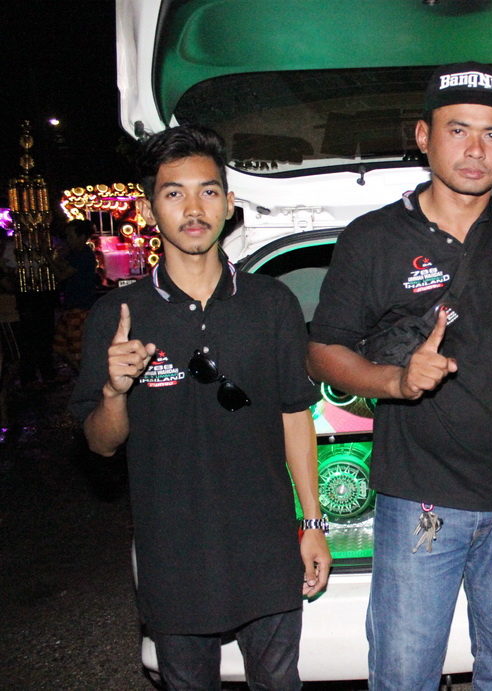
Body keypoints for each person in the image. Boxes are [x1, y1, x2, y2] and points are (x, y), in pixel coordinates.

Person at [307, 63, 492, 690]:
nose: (475, 150)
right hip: (420, 496)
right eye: (458, 130)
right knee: (404, 673)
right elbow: (323, 352)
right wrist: (396, 381)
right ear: (423, 136)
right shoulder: (373, 238)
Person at [69, 124, 330, 690]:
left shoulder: (271, 303)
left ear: (229, 204)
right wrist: (114, 391)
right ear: (149, 208)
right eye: (174, 193)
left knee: (279, 682)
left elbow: (294, 416)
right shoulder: (118, 316)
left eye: (208, 191)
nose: (193, 209)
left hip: (266, 547)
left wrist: (312, 523)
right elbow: (100, 443)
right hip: (173, 555)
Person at [53, 218, 99, 371]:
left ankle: (85, 377)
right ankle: (82, 376)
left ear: (82, 237)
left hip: (80, 307)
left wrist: (48, 259)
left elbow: (62, 275)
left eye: (70, 236)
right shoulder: (75, 254)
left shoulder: (84, 255)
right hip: (72, 306)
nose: (67, 240)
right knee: (60, 346)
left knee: (76, 350)